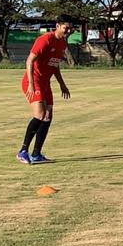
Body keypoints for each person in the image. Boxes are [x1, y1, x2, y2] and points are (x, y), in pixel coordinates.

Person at [17, 15, 73, 164]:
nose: (68, 30)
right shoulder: (45, 39)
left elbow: (54, 65)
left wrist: (62, 84)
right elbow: (29, 60)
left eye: (70, 28)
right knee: (40, 115)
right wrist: (30, 83)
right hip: (33, 80)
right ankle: (22, 151)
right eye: (65, 27)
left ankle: (36, 154)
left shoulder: (62, 43)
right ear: (58, 26)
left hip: (45, 82)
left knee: (48, 116)